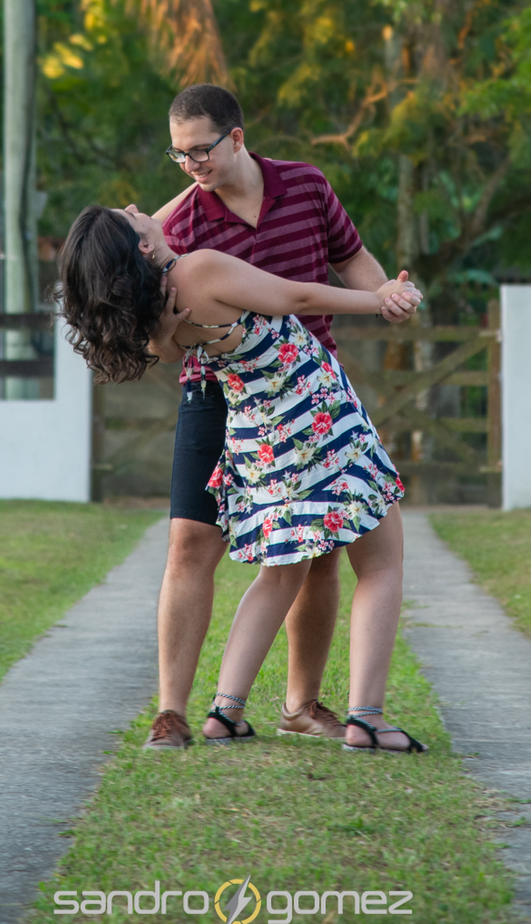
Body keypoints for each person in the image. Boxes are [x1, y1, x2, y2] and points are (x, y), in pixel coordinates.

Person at [59, 203, 427, 753]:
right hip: (315, 417)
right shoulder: (200, 269)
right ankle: (366, 718)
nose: (142, 208)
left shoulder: (161, 315)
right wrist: (377, 300)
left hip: (261, 440)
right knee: (381, 562)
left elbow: (159, 325)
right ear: (139, 247)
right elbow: (296, 297)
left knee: (281, 574)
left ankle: (225, 713)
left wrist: (154, 211)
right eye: (131, 215)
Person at [131, 84, 417, 749]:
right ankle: (173, 709)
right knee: (191, 544)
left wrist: (386, 293)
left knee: (317, 556)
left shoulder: (306, 186)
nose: (192, 164)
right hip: (221, 392)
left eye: (201, 149)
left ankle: (299, 703)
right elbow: (145, 299)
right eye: (178, 155)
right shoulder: (183, 227)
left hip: (305, 383)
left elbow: (351, 261)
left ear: (237, 136)